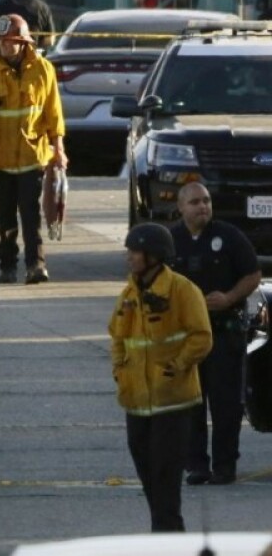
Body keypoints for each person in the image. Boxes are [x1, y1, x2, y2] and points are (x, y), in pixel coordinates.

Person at [110, 223, 212, 533]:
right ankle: (166, 537)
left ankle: (168, 540)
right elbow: (117, 334)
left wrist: (176, 367)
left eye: (135, 252)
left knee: (166, 482)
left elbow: (201, 337)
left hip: (172, 402)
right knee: (150, 480)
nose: (130, 257)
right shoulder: (130, 291)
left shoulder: (182, 290)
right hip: (137, 403)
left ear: (153, 256)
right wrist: (119, 369)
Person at [170, 182, 261, 487]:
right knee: (190, 405)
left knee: (225, 406)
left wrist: (230, 297)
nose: (203, 207)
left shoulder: (229, 236)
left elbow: (253, 275)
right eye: (195, 202)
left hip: (223, 334)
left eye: (206, 201)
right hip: (185, 338)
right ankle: (196, 465)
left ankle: (225, 466)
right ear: (181, 207)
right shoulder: (171, 240)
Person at [0, 14, 67, 285]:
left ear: (23, 42)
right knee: (5, 214)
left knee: (30, 212)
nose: (4, 46)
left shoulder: (43, 70)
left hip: (31, 155)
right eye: (1, 41)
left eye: (10, 41)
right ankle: (8, 266)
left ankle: (36, 265)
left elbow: (53, 112)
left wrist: (58, 147)